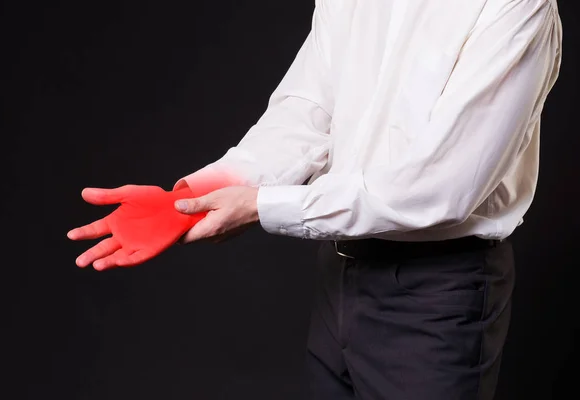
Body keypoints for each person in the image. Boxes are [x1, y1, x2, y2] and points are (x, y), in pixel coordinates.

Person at [139, 0, 563, 398]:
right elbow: (307, 111)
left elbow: (440, 187)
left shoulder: (514, 6)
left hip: (437, 291)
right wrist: (195, 197)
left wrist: (262, 205)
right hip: (339, 277)